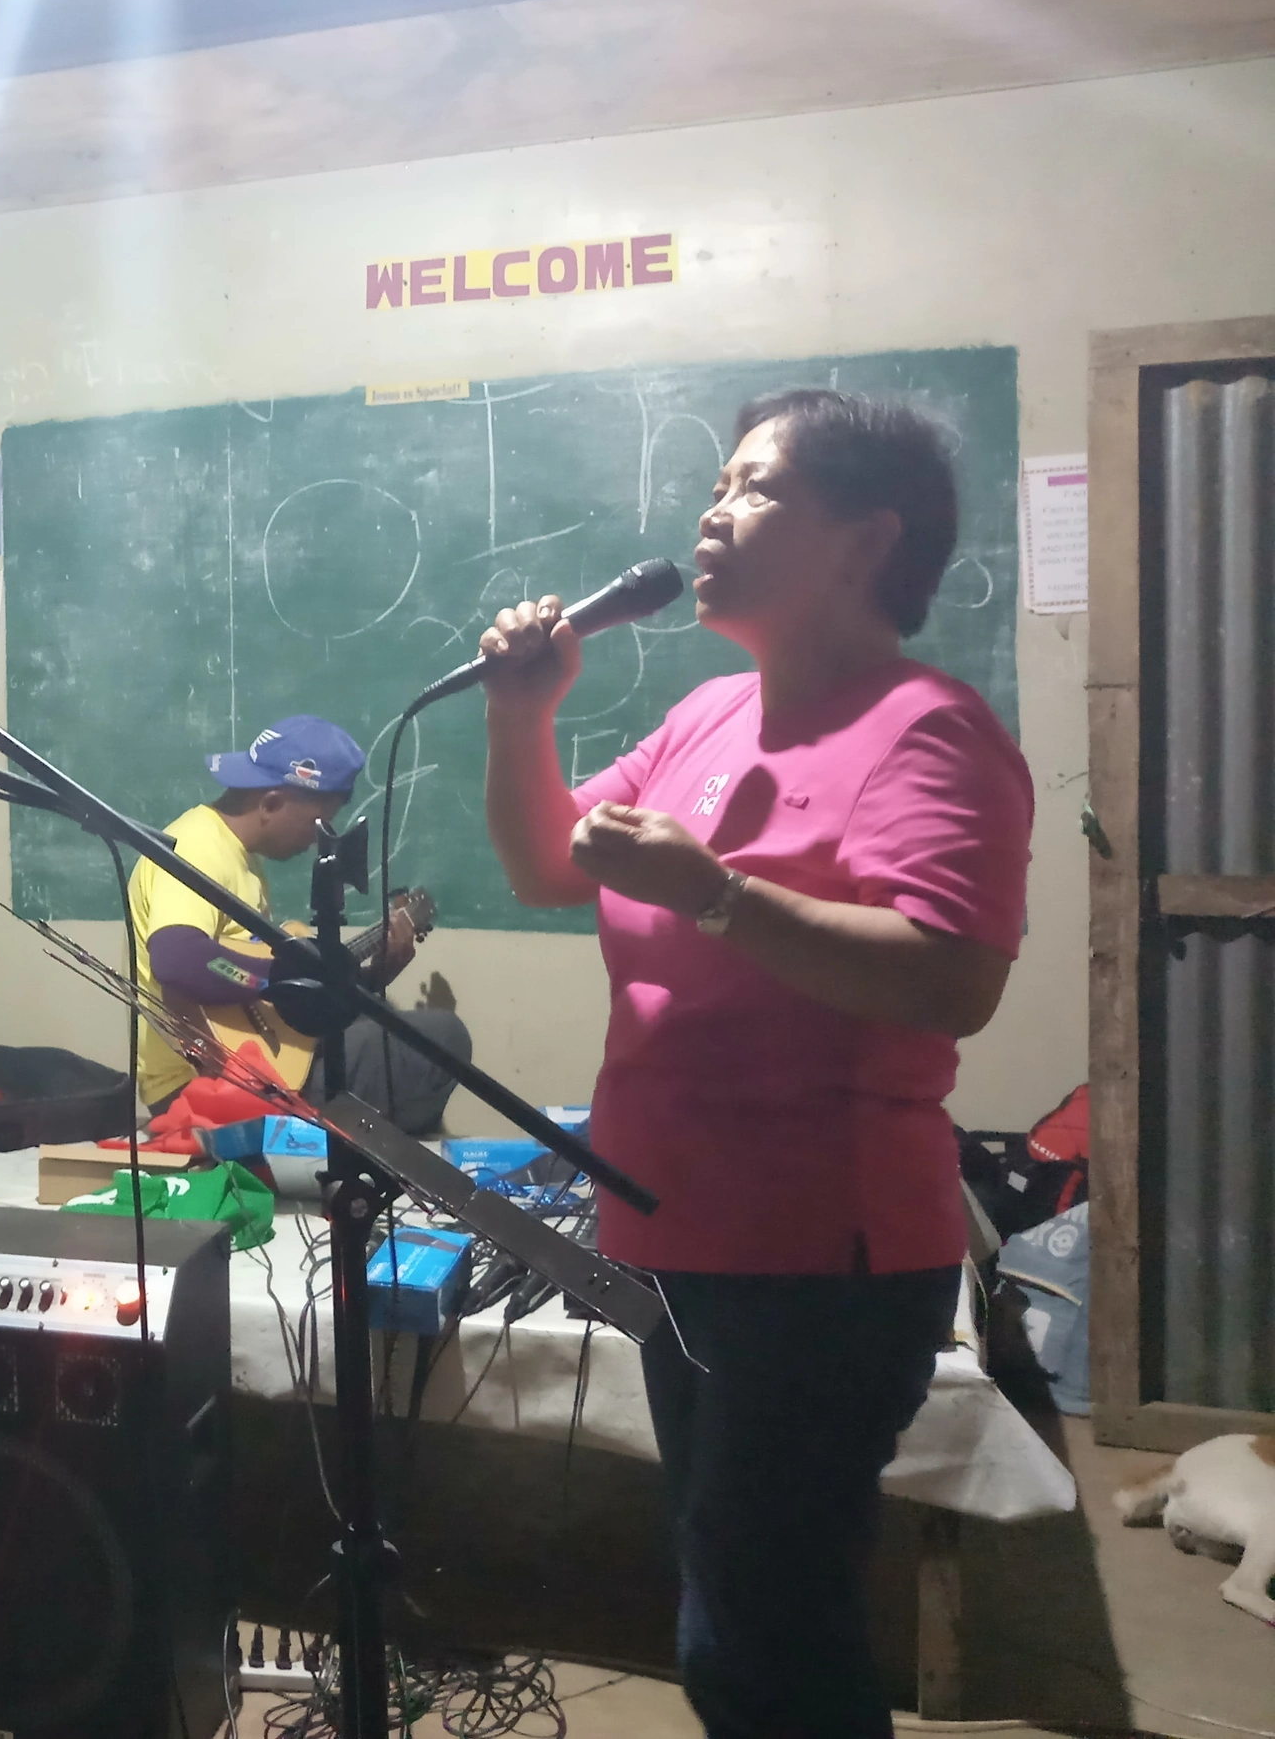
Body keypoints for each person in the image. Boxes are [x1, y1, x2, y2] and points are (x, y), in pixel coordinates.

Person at [476, 388, 1032, 1739]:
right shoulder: (709, 715)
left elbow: (950, 978)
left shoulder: (927, 728)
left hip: (815, 1259)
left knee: (758, 1634)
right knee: (739, 1595)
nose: (711, 513)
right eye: (716, 485)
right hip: (683, 1236)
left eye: (756, 486)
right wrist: (521, 718)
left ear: (866, 538)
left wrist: (719, 895)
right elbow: (548, 862)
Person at [127, 715, 462, 1134]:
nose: (318, 838)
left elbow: (272, 1008)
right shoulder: (197, 847)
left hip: (251, 1073)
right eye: (318, 822)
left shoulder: (239, 859)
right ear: (271, 804)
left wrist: (371, 976)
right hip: (204, 1086)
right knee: (444, 1036)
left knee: (385, 1026)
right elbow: (178, 960)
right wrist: (286, 978)